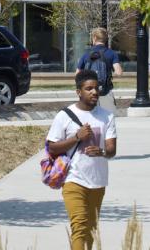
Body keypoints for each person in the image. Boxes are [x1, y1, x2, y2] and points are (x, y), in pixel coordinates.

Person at [45, 70, 117, 250]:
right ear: (79, 91)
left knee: (91, 230)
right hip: (73, 179)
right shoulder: (65, 116)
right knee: (79, 226)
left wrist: (101, 151)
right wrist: (77, 137)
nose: (94, 92)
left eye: (96, 88)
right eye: (89, 88)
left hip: (98, 181)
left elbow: (112, 150)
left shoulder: (107, 116)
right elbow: (51, 147)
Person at [76, 28, 123, 112]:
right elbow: (119, 72)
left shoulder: (86, 54)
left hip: (89, 92)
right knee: (109, 117)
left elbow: (77, 74)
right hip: (105, 90)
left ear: (94, 38)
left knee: (90, 117)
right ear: (105, 39)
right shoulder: (111, 53)